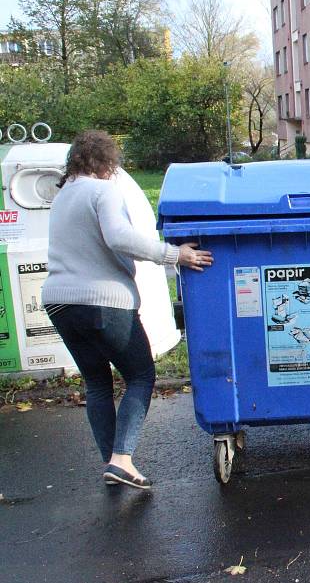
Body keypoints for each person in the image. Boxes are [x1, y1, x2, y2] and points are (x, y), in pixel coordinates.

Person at [42, 130, 213, 489]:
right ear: (107, 162)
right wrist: (174, 254)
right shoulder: (103, 190)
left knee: (97, 382)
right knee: (140, 375)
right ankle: (122, 459)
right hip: (103, 301)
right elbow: (118, 236)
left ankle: (112, 463)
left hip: (59, 303)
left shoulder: (64, 195)